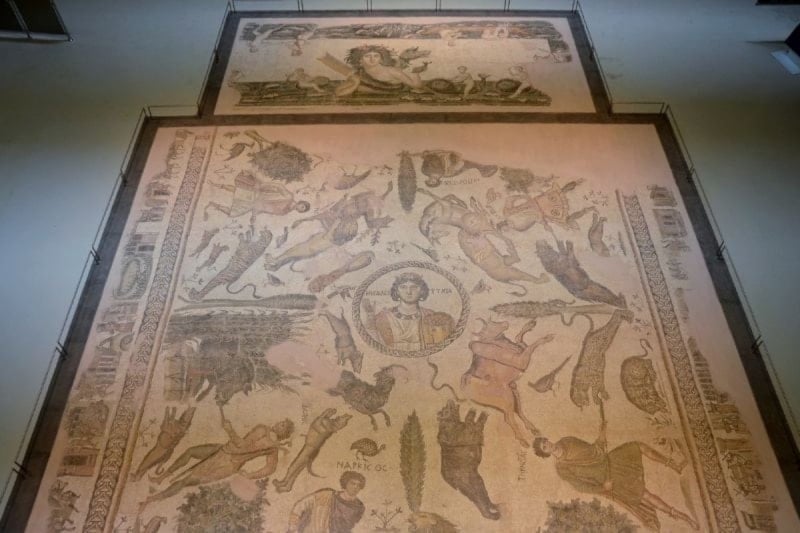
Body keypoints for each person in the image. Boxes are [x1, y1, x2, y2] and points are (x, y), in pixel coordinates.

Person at [532, 417, 698, 531]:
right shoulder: (562, 468)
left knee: (637, 446)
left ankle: (674, 465)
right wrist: (603, 488)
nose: (549, 445)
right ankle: (683, 517)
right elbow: (581, 486)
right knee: (645, 495)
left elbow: (594, 449)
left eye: (546, 441)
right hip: (608, 479)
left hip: (611, 461)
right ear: (545, 454)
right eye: (545, 447)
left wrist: (602, 433)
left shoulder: (567, 441)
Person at [141, 409, 294, 507]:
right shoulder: (269, 439)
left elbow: (242, 446)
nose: (278, 423)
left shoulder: (268, 440)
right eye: (281, 422)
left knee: (185, 481)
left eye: (282, 425)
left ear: (283, 433)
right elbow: (268, 466)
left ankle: (152, 499)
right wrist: (250, 474)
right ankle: (161, 478)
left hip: (227, 463)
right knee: (191, 452)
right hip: (224, 449)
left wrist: (229, 429)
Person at [367, 273, 455, 352]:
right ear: (397, 291)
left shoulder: (430, 315)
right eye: (403, 287)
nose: (408, 292)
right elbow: (376, 346)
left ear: (422, 291)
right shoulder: (384, 317)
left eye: (414, 287)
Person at [204, 171, 310, 222]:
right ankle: (215, 185)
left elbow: (265, 210)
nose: (300, 209)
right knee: (238, 190)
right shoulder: (288, 197)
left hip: (254, 205)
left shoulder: (284, 212)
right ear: (300, 203)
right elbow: (278, 186)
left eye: (302, 210)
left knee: (233, 213)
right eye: (302, 206)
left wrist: (254, 215)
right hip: (258, 196)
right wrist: (263, 185)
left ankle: (213, 204)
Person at [287, 471, 366, 533]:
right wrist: (292, 526)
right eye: (352, 483)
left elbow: (351, 527)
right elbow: (300, 505)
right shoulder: (326, 495)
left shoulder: (359, 507)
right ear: (345, 483)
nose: (355, 487)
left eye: (359, 485)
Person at [335, 45, 427, 97]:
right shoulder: (359, 74)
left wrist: (415, 72)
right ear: (360, 60)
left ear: (381, 59)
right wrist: (355, 83)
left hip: (394, 95)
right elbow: (338, 92)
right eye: (367, 56)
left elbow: (416, 85)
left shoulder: (391, 71)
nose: (372, 59)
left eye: (376, 56)